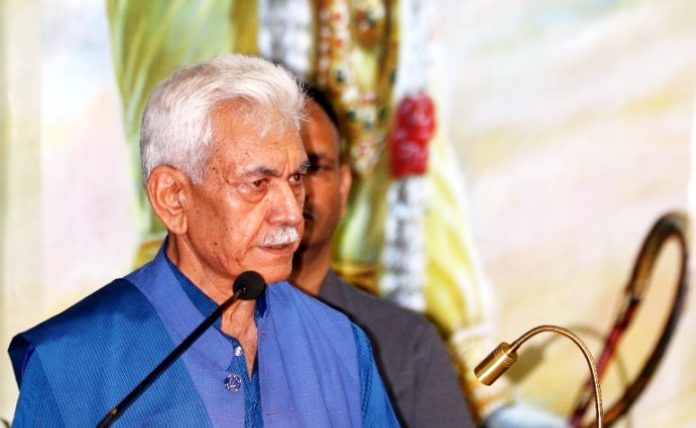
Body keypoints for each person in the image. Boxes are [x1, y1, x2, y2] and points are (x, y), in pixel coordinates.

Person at [8, 54, 399, 427]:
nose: (292, 214)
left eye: (295, 179)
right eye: (257, 183)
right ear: (173, 197)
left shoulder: (340, 345)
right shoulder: (71, 364)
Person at [290, 85, 476, 427]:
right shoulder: (195, 328)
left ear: (343, 186)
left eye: (314, 167)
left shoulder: (404, 343)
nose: (295, 190)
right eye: (269, 172)